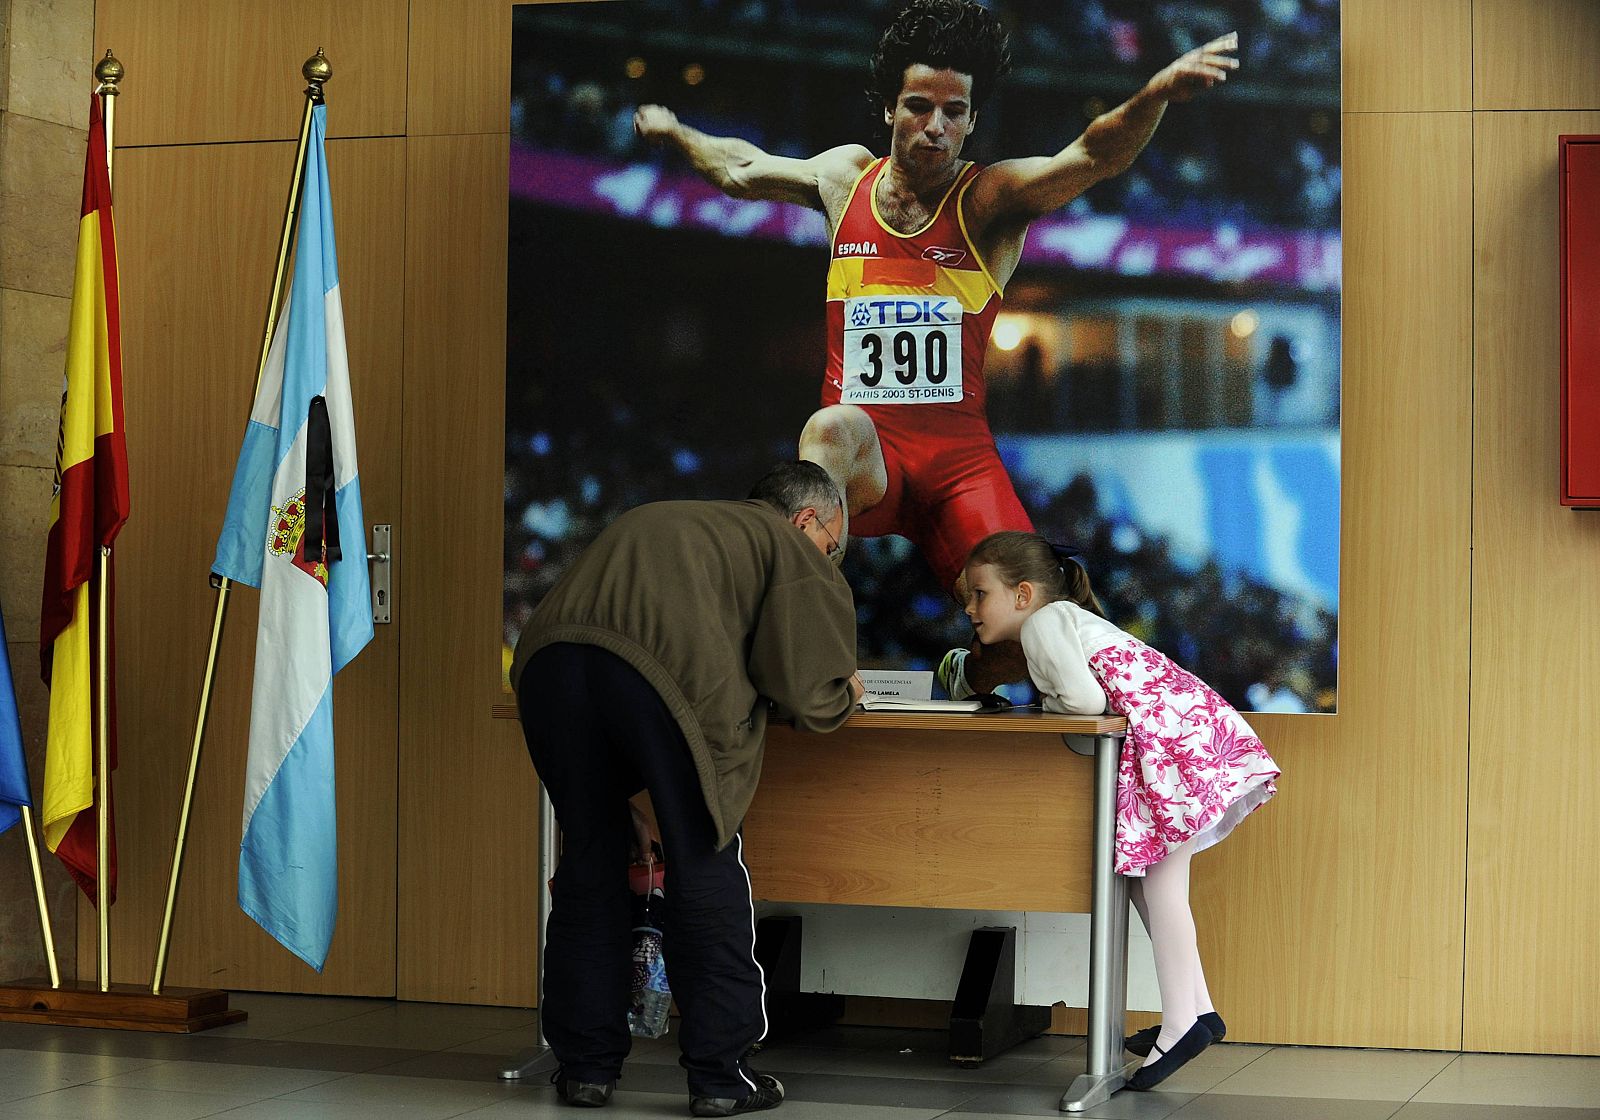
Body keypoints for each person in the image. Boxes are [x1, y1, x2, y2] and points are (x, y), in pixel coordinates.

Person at [633, 0, 1240, 694]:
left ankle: (969, 668)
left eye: (956, 112)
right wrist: (678, 132)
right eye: (919, 106)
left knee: (1033, 639)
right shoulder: (844, 180)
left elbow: (1093, 155)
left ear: (973, 120)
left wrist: (1155, 93)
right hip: (869, 456)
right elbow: (741, 169)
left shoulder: (989, 200)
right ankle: (804, 657)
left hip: (958, 466)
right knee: (829, 426)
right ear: (890, 108)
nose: (936, 127)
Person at [511, 462, 865, 1114]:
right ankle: (721, 1077)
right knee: (703, 856)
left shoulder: (676, 518)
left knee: (593, 859)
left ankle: (585, 1068)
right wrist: (844, 691)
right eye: (831, 547)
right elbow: (809, 698)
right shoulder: (787, 546)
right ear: (806, 520)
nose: (828, 562)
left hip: (547, 663)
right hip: (661, 678)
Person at [961, 530, 1280, 1090]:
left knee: (1160, 887)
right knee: (1142, 883)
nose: (970, 608)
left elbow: (1084, 703)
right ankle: (1197, 1009)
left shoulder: (1044, 622)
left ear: (1022, 594)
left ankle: (1183, 1022)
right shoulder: (1064, 619)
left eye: (978, 593)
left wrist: (1051, 702)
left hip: (1172, 747)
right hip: (1176, 741)